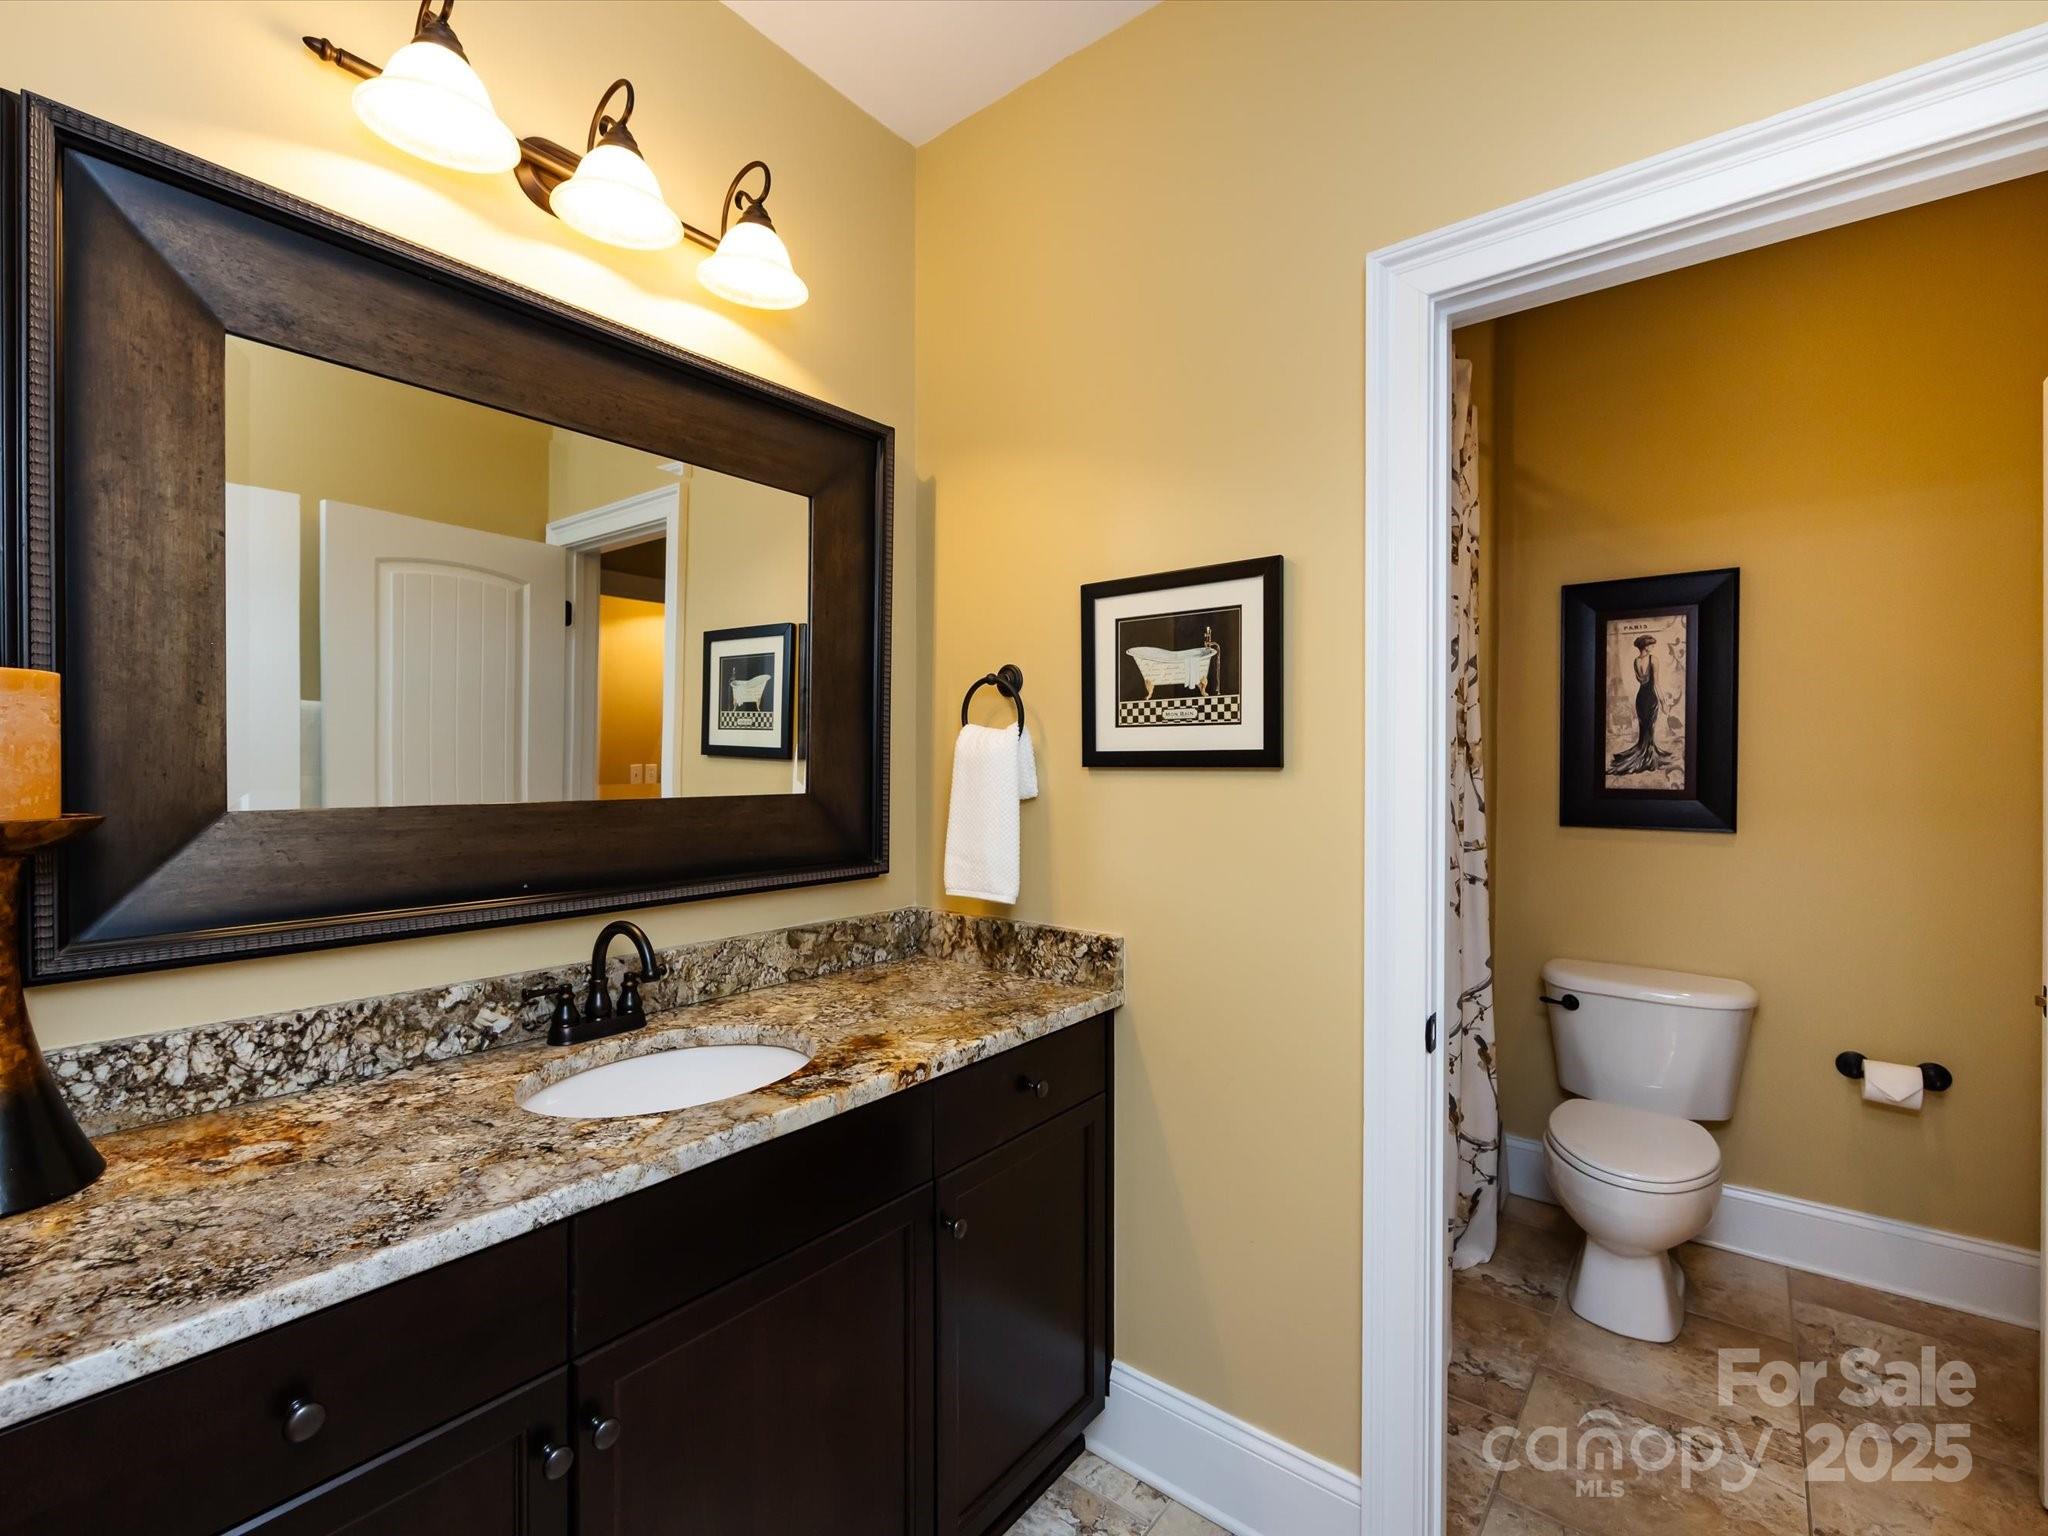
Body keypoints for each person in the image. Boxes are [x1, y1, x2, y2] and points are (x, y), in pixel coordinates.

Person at [1608, 633, 1671, 775]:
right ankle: (1648, 759)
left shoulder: (1636, 661)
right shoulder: (1653, 659)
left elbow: (1641, 681)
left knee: (1645, 729)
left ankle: (1646, 756)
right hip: (1651, 698)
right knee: (1650, 729)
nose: (1653, 647)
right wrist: (1664, 702)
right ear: (1646, 646)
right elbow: (1656, 684)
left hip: (1640, 698)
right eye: (1651, 644)